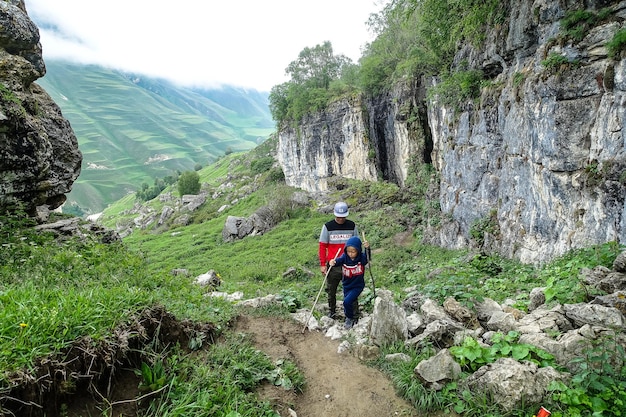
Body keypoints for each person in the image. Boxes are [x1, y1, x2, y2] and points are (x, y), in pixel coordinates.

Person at [318, 201, 358, 319]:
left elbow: (357, 244)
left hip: (349, 264)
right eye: (338, 217)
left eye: (343, 217)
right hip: (333, 264)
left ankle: (353, 314)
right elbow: (322, 246)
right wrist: (322, 264)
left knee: (351, 290)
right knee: (331, 290)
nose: (340, 219)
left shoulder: (352, 226)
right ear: (335, 215)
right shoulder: (327, 227)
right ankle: (332, 311)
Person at [328, 236, 370, 329]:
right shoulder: (345, 257)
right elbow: (338, 261)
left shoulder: (361, 258)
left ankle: (349, 317)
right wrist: (333, 261)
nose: (350, 254)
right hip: (346, 285)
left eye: (353, 251)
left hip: (357, 285)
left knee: (347, 302)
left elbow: (367, 259)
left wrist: (368, 249)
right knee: (352, 301)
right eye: (348, 251)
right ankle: (355, 316)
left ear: (358, 250)